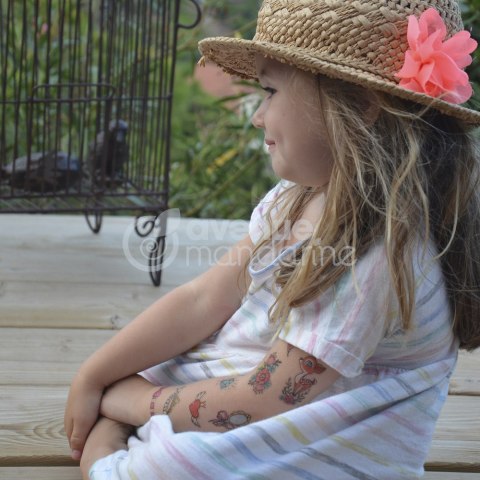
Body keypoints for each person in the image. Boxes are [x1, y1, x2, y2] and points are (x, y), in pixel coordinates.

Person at [65, 1, 480, 479]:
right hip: (280, 391)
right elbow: (204, 298)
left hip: (339, 433)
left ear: (362, 106)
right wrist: (95, 373)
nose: (258, 116)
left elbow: (263, 396)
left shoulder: (380, 252)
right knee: (172, 369)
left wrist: (134, 402)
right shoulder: (299, 196)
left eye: (269, 91)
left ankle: (108, 455)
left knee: (171, 467)